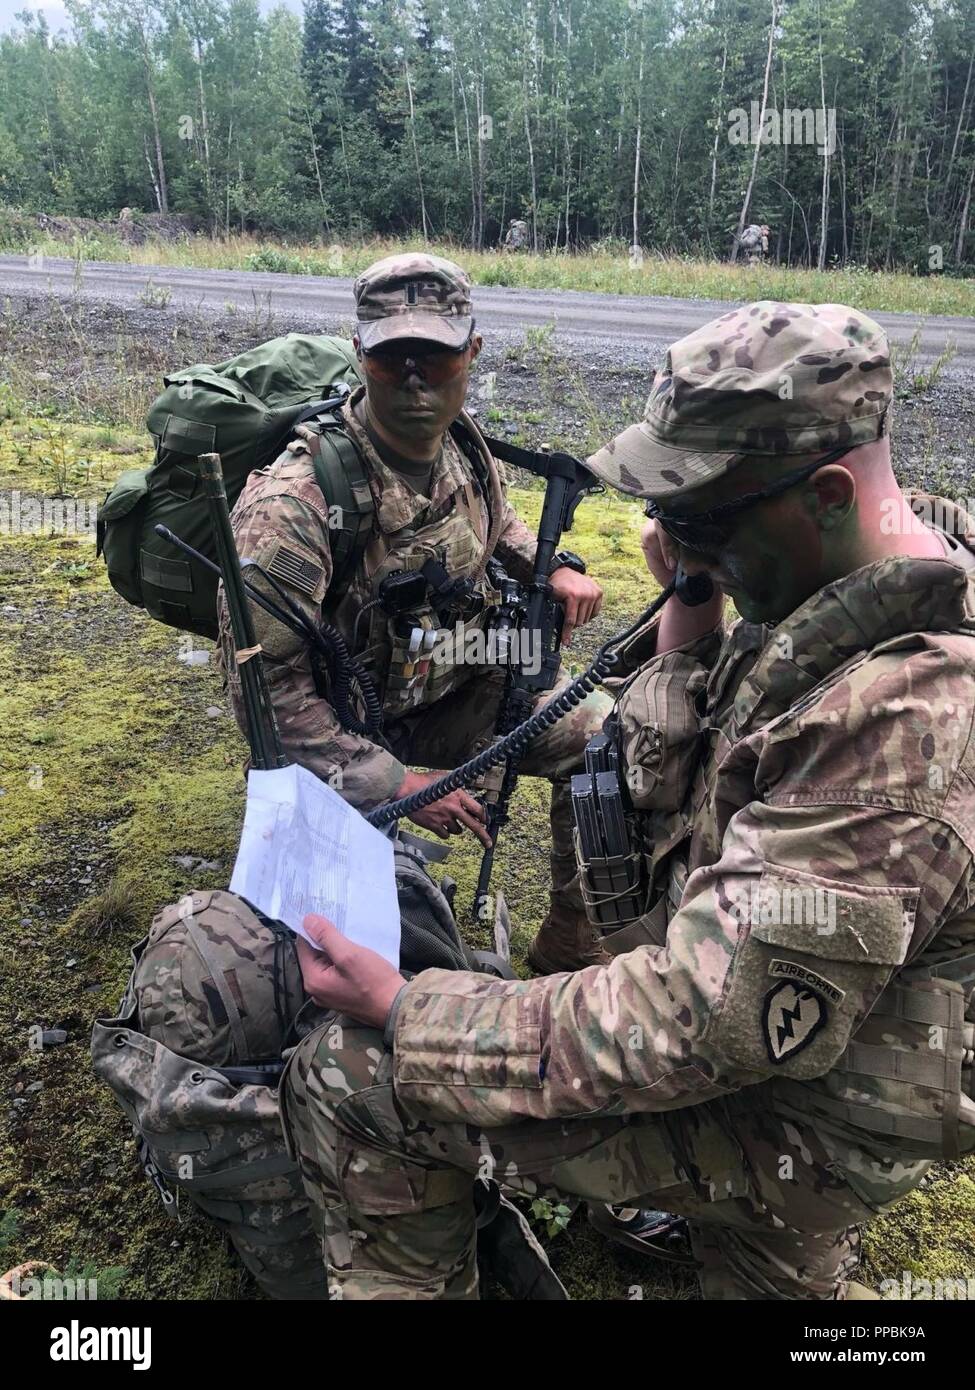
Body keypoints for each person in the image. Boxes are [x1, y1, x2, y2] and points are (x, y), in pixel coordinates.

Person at [279, 300, 975, 1300]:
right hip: (810, 1041)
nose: (663, 539)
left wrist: (411, 1007)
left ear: (825, 494)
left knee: (352, 1076)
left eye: (695, 519)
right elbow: (667, 789)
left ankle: (763, 1197)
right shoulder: (852, 582)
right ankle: (765, 1238)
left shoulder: (906, 724)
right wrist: (697, 596)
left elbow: (700, 1019)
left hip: (795, 1103)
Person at [217, 252, 611, 973]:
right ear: (360, 351)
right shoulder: (294, 504)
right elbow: (263, 702)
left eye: (434, 354)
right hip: (344, 732)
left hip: (457, 681)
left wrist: (544, 564)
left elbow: (497, 523)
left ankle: (573, 940)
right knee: (354, 972)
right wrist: (394, 782)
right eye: (393, 356)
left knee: (607, 741)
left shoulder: (463, 444)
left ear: (472, 352)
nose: (413, 378)